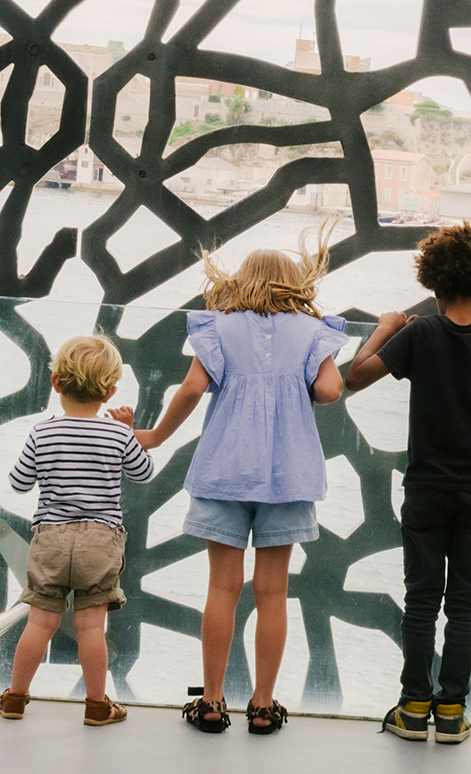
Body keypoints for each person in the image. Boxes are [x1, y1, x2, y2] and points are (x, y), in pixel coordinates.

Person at [345, 223, 471, 743]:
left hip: (427, 487)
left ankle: (413, 708)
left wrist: (386, 327)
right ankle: (452, 710)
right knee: (465, 603)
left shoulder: (419, 333)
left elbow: (354, 375)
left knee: (420, 600)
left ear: (434, 283)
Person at [135, 239, 348, 735]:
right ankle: (263, 705)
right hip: (290, 474)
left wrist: (156, 436)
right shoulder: (314, 330)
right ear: (295, 284)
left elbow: (190, 389)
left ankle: (211, 702)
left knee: (222, 588)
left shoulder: (219, 327)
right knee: (273, 593)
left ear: (241, 280)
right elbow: (330, 390)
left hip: (225, 470)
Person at [0, 335, 154, 726]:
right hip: (100, 541)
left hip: (51, 536)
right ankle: (98, 706)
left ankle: (15, 698)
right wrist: (130, 431)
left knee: (40, 621)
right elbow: (144, 472)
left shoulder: (42, 433)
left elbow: (18, 483)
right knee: (90, 625)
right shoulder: (117, 435)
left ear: (56, 383)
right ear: (111, 391)